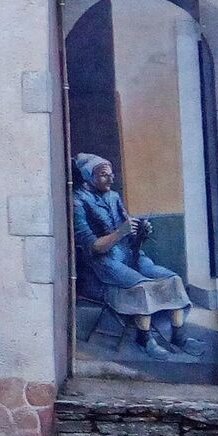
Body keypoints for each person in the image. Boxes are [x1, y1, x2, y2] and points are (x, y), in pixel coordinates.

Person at [71, 154, 200, 360]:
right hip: (102, 264)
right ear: (88, 177)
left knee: (173, 279)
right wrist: (121, 232)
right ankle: (144, 338)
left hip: (131, 255)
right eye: (104, 175)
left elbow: (128, 229)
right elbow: (93, 247)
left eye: (111, 174)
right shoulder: (77, 201)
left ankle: (178, 336)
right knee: (143, 287)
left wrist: (141, 231)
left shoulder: (113, 197)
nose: (111, 178)